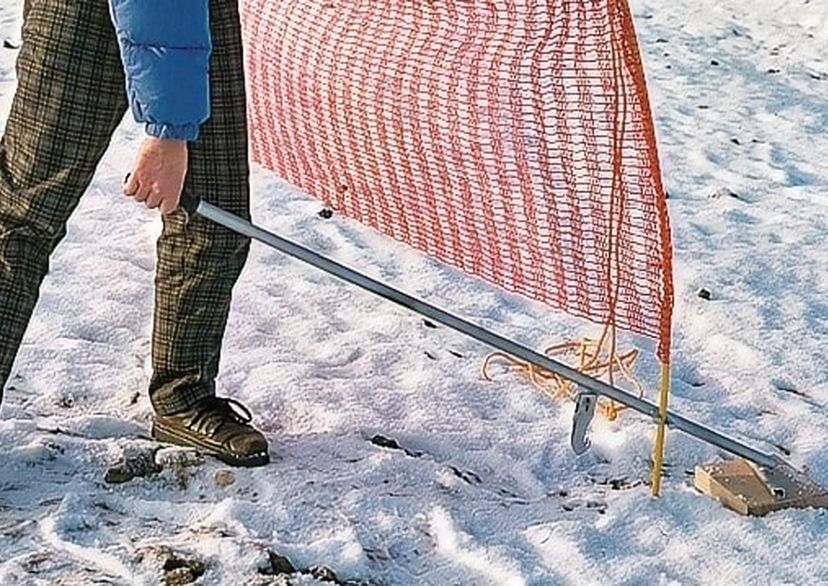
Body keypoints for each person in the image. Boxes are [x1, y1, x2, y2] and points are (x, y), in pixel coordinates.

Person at [0, 0, 269, 467]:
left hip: (195, 15)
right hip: (81, 12)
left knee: (215, 221)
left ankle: (183, 399)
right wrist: (168, 130)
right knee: (23, 219)